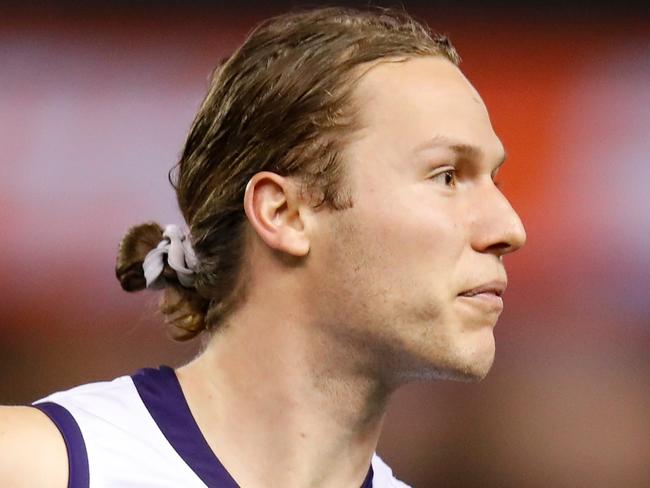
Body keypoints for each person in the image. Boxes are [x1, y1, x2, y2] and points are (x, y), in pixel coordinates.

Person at [0, 6, 526, 488]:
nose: (509, 227)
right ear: (283, 214)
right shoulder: (37, 465)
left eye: (494, 181)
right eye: (447, 176)